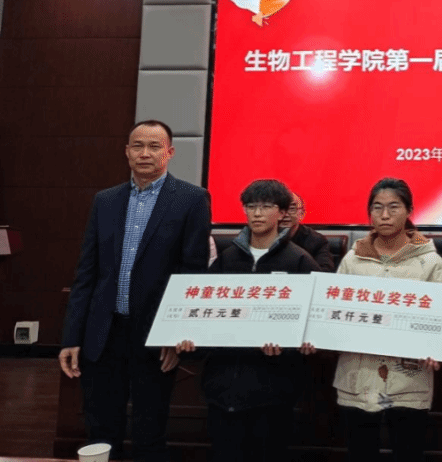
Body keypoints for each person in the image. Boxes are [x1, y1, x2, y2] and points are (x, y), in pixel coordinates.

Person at [59, 120, 212, 462]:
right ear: (127, 152)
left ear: (169, 152)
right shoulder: (105, 200)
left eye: (154, 146)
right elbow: (87, 273)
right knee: (100, 431)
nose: (145, 153)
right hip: (103, 334)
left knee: (149, 433)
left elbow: (192, 274)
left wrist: (176, 334)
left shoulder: (191, 199)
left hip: (155, 337)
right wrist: (72, 336)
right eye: (137, 146)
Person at [178, 179, 320, 462]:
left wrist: (291, 347)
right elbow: (205, 314)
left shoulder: (299, 261)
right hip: (222, 390)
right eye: (251, 206)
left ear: (282, 213)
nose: (256, 213)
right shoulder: (226, 259)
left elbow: (314, 324)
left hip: (272, 393)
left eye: (266, 206)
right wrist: (190, 341)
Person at [331, 178, 442, 462]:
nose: (384, 215)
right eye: (377, 207)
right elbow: (333, 312)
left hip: (408, 379)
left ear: (409, 211)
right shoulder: (352, 260)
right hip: (358, 375)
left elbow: (440, 317)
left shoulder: (430, 262)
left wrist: (436, 347)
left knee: (408, 453)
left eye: (393, 207)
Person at [281, 191, 335, 271]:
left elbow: (324, 273)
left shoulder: (317, 241)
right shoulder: (264, 238)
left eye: (291, 209)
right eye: (280, 209)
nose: (285, 214)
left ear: (302, 214)